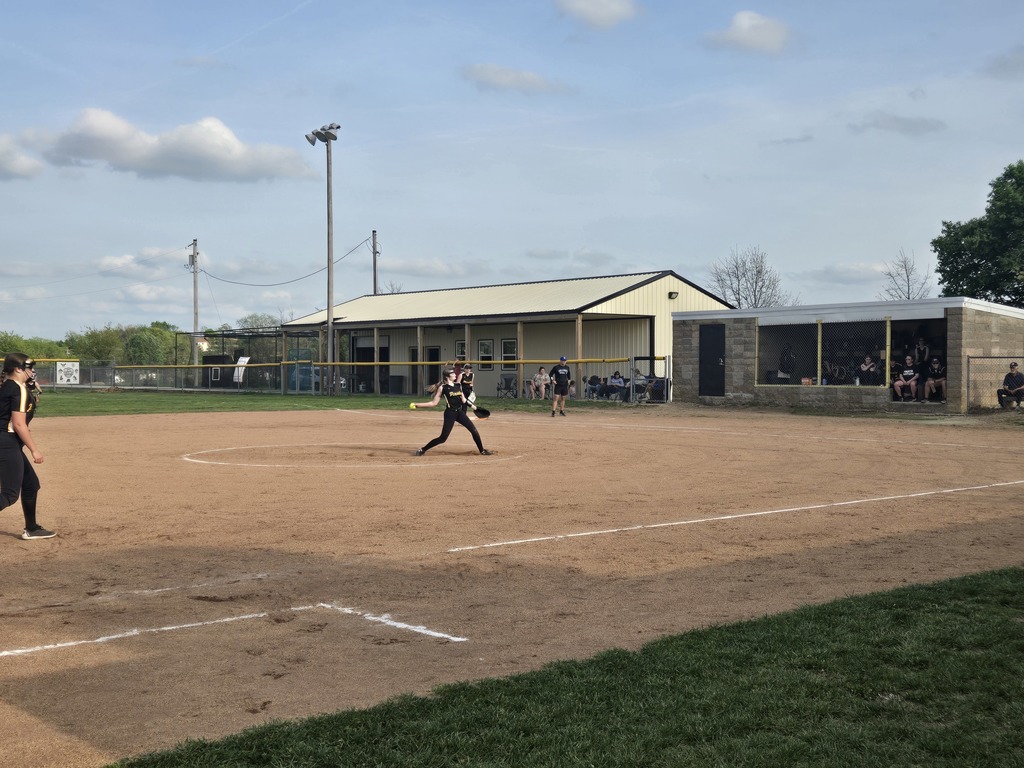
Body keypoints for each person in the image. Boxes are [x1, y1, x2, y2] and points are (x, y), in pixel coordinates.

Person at [0, 353, 56, 539]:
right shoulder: (17, 389)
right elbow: (18, 424)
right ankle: (31, 528)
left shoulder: (10, 386)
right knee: (9, 494)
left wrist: (29, 389)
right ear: (18, 369)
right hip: (6, 442)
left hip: (7, 442)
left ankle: (31, 528)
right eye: (29, 368)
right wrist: (34, 449)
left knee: (31, 484)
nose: (32, 372)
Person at [411, 367, 491, 455]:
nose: (455, 375)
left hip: (459, 413)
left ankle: (482, 450)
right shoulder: (443, 388)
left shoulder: (458, 385)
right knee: (443, 438)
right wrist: (418, 405)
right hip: (450, 414)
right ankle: (423, 449)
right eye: (453, 374)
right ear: (447, 376)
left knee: (474, 430)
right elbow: (434, 403)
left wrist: (475, 407)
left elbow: (464, 400)